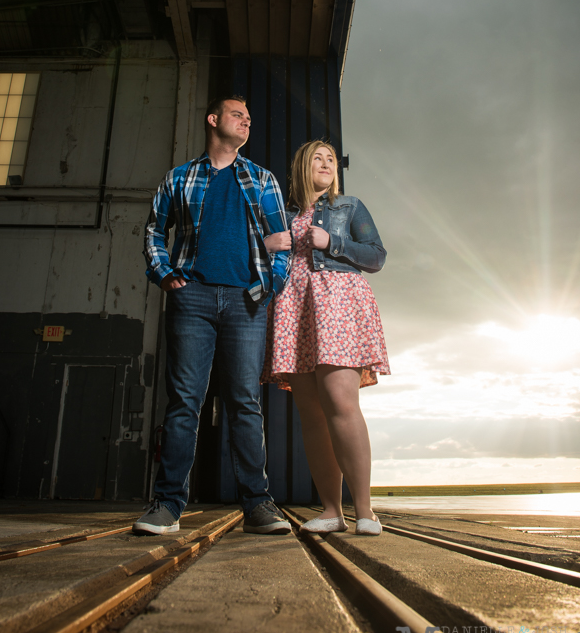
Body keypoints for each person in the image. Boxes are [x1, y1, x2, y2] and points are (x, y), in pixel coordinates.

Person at [134, 96, 293, 536]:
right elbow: (153, 230)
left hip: (246, 300)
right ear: (213, 120)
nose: (246, 121)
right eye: (237, 114)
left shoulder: (261, 179)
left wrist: (271, 287)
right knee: (185, 402)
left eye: (248, 117)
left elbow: (284, 242)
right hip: (193, 298)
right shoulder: (180, 177)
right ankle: (167, 505)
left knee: (245, 403)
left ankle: (258, 506)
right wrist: (163, 273)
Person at [262, 140, 389, 535]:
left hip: (336, 305)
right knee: (311, 414)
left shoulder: (348, 207)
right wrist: (264, 247)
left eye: (331, 159)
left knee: (340, 402)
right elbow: (258, 262)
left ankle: (365, 511)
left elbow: (376, 256)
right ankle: (331, 510)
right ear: (302, 165)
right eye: (317, 157)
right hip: (293, 308)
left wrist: (332, 242)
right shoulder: (279, 213)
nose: (326, 163)